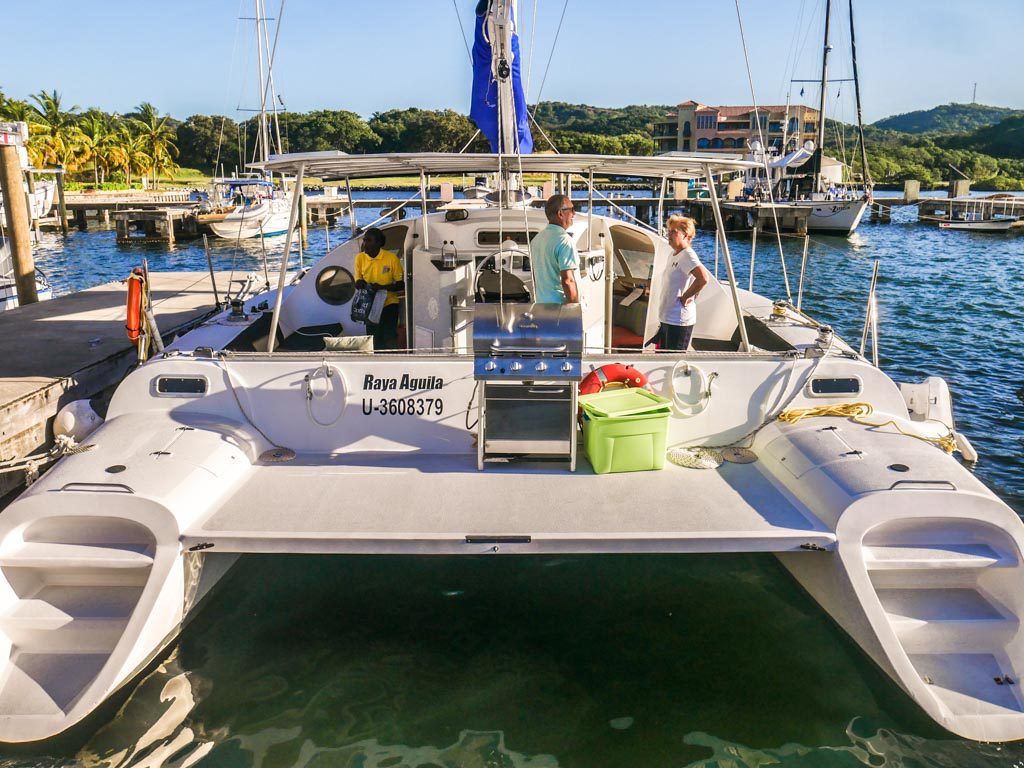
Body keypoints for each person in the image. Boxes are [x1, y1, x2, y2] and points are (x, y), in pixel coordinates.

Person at [652, 215, 709, 351]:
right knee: (662, 360)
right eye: (669, 231)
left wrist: (687, 296)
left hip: (678, 320)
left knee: (672, 362)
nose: (669, 234)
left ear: (686, 235)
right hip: (668, 318)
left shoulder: (687, 254)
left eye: (674, 231)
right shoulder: (674, 254)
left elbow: (703, 278)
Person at [354, 227, 404, 350]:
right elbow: (357, 281)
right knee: (373, 337)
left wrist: (381, 287)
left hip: (389, 304)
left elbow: (400, 285)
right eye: (364, 240)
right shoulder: (359, 258)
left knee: (389, 336)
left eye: (368, 241)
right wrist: (362, 284)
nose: (365, 244)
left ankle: (392, 360)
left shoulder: (392, 259)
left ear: (378, 243)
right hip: (369, 305)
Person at [530, 194, 579, 304]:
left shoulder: (536, 240)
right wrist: (574, 308)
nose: (574, 213)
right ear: (560, 213)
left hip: (541, 306)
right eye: (571, 209)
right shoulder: (565, 241)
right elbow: (568, 280)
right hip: (560, 309)